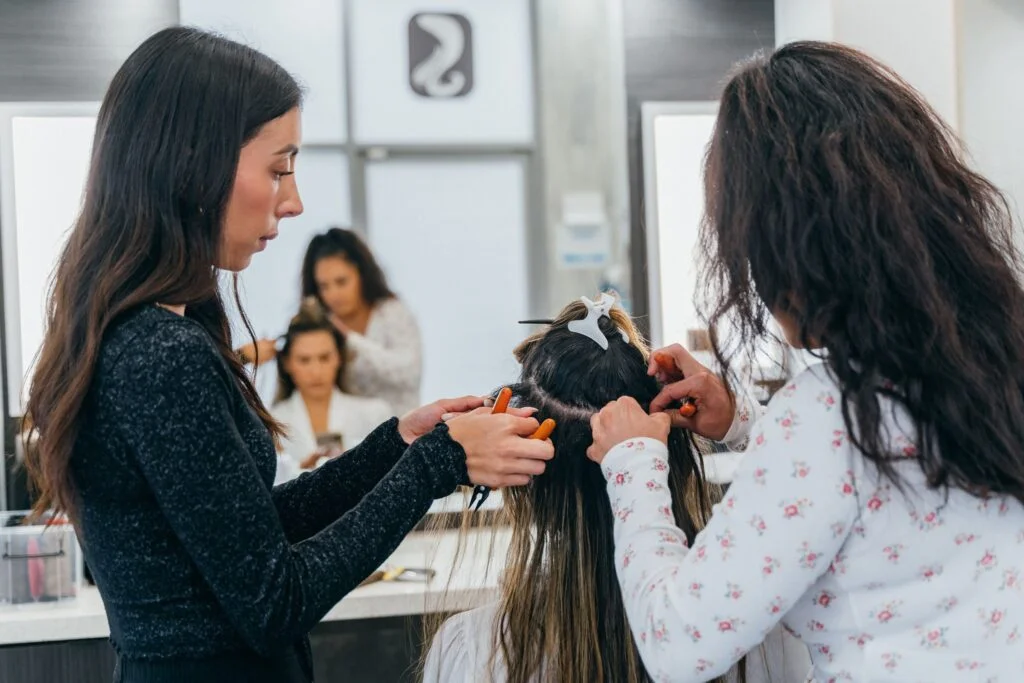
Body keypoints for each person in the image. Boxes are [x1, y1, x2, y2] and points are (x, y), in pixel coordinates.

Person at [22, 27, 553, 683]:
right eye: (277, 170)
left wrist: (397, 445)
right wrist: (438, 464)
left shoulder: (161, 330)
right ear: (191, 165)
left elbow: (251, 535)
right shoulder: (159, 353)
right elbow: (275, 600)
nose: (294, 201)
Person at [586, 41, 1024, 682]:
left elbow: (679, 645)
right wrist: (742, 421)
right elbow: (882, 489)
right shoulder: (991, 363)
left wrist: (633, 464)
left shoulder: (828, 415)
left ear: (796, 248)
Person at [423, 295, 809, 683]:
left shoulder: (472, 653)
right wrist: (742, 421)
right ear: (673, 463)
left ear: (524, 482)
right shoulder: (761, 632)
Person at [239, 227, 422, 415]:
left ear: (361, 274)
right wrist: (244, 357)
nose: (333, 294)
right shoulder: (321, 325)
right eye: (324, 286)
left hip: (403, 424)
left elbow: (407, 373)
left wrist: (349, 338)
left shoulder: (391, 313)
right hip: (348, 430)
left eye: (341, 282)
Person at [271, 299, 391, 474]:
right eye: (304, 360)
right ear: (287, 363)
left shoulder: (374, 414)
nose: (316, 371)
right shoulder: (272, 423)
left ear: (339, 358)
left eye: (324, 358)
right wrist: (298, 475)